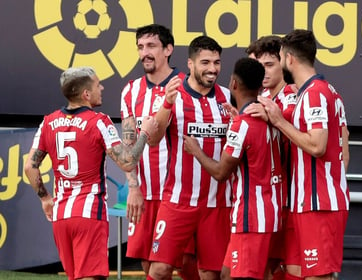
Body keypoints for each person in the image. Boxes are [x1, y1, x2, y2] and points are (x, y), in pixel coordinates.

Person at [24, 66, 158, 280]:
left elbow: (30, 167)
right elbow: (127, 161)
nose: (102, 88)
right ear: (86, 94)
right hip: (89, 213)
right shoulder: (98, 122)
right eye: (98, 85)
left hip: (61, 215)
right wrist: (145, 134)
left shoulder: (48, 122)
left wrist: (45, 198)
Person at [258, 29, 350, 280]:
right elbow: (344, 142)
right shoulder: (318, 92)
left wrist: (279, 121)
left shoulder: (315, 93)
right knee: (299, 273)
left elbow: (318, 146)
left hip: (319, 204)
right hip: (309, 202)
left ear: (289, 59)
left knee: (317, 276)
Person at [183, 57, 283, 280]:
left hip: (251, 216)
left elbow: (221, 172)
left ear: (234, 84)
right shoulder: (269, 117)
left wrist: (196, 150)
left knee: (242, 276)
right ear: (260, 86)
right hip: (269, 210)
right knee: (227, 273)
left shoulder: (244, 123)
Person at [146, 35, 232, 280]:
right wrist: (166, 105)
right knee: (160, 269)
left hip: (217, 203)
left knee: (210, 273)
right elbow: (153, 139)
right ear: (191, 64)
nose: (212, 69)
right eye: (205, 62)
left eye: (216, 62)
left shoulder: (227, 96)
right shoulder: (171, 94)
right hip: (178, 200)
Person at [119, 24, 198, 279]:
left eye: (151, 46)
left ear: (168, 49)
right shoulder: (130, 91)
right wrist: (133, 187)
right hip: (145, 193)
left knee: (187, 266)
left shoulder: (188, 85)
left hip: (180, 194)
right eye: (141, 47)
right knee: (149, 267)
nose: (145, 53)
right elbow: (129, 145)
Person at [244, 35, 298, 280]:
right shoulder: (258, 100)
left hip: (292, 200)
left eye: (268, 65)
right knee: (263, 268)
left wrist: (274, 120)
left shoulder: (294, 97)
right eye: (257, 66)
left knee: (292, 269)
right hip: (266, 202)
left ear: (283, 63)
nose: (261, 72)